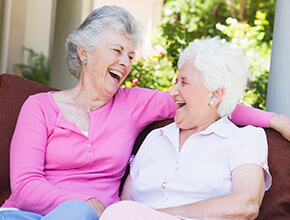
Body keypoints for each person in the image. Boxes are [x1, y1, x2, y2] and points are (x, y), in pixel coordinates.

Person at [0, 5, 288, 220]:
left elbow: (207, 101)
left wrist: (276, 120)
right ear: (85, 52)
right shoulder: (39, 107)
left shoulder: (134, 104)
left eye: (130, 56)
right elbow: (25, 186)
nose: (125, 63)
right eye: (117, 50)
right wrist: (85, 203)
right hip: (27, 214)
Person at [99, 37, 272, 220]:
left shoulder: (245, 139)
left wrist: (156, 216)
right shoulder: (156, 137)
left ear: (215, 94)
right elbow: (125, 203)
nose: (172, 91)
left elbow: (246, 205)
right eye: (176, 82)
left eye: (184, 82)